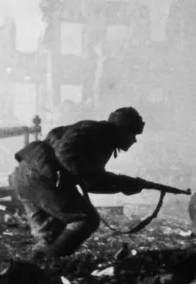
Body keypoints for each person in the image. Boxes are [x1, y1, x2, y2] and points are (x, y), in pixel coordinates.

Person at [11, 107, 148, 258]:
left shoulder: (94, 132)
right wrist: (121, 184)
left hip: (25, 177)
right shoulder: (97, 134)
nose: (134, 140)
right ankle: (51, 262)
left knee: (52, 234)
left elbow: (90, 179)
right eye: (132, 134)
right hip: (42, 180)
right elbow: (69, 157)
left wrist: (121, 184)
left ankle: (35, 268)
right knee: (85, 219)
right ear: (121, 130)